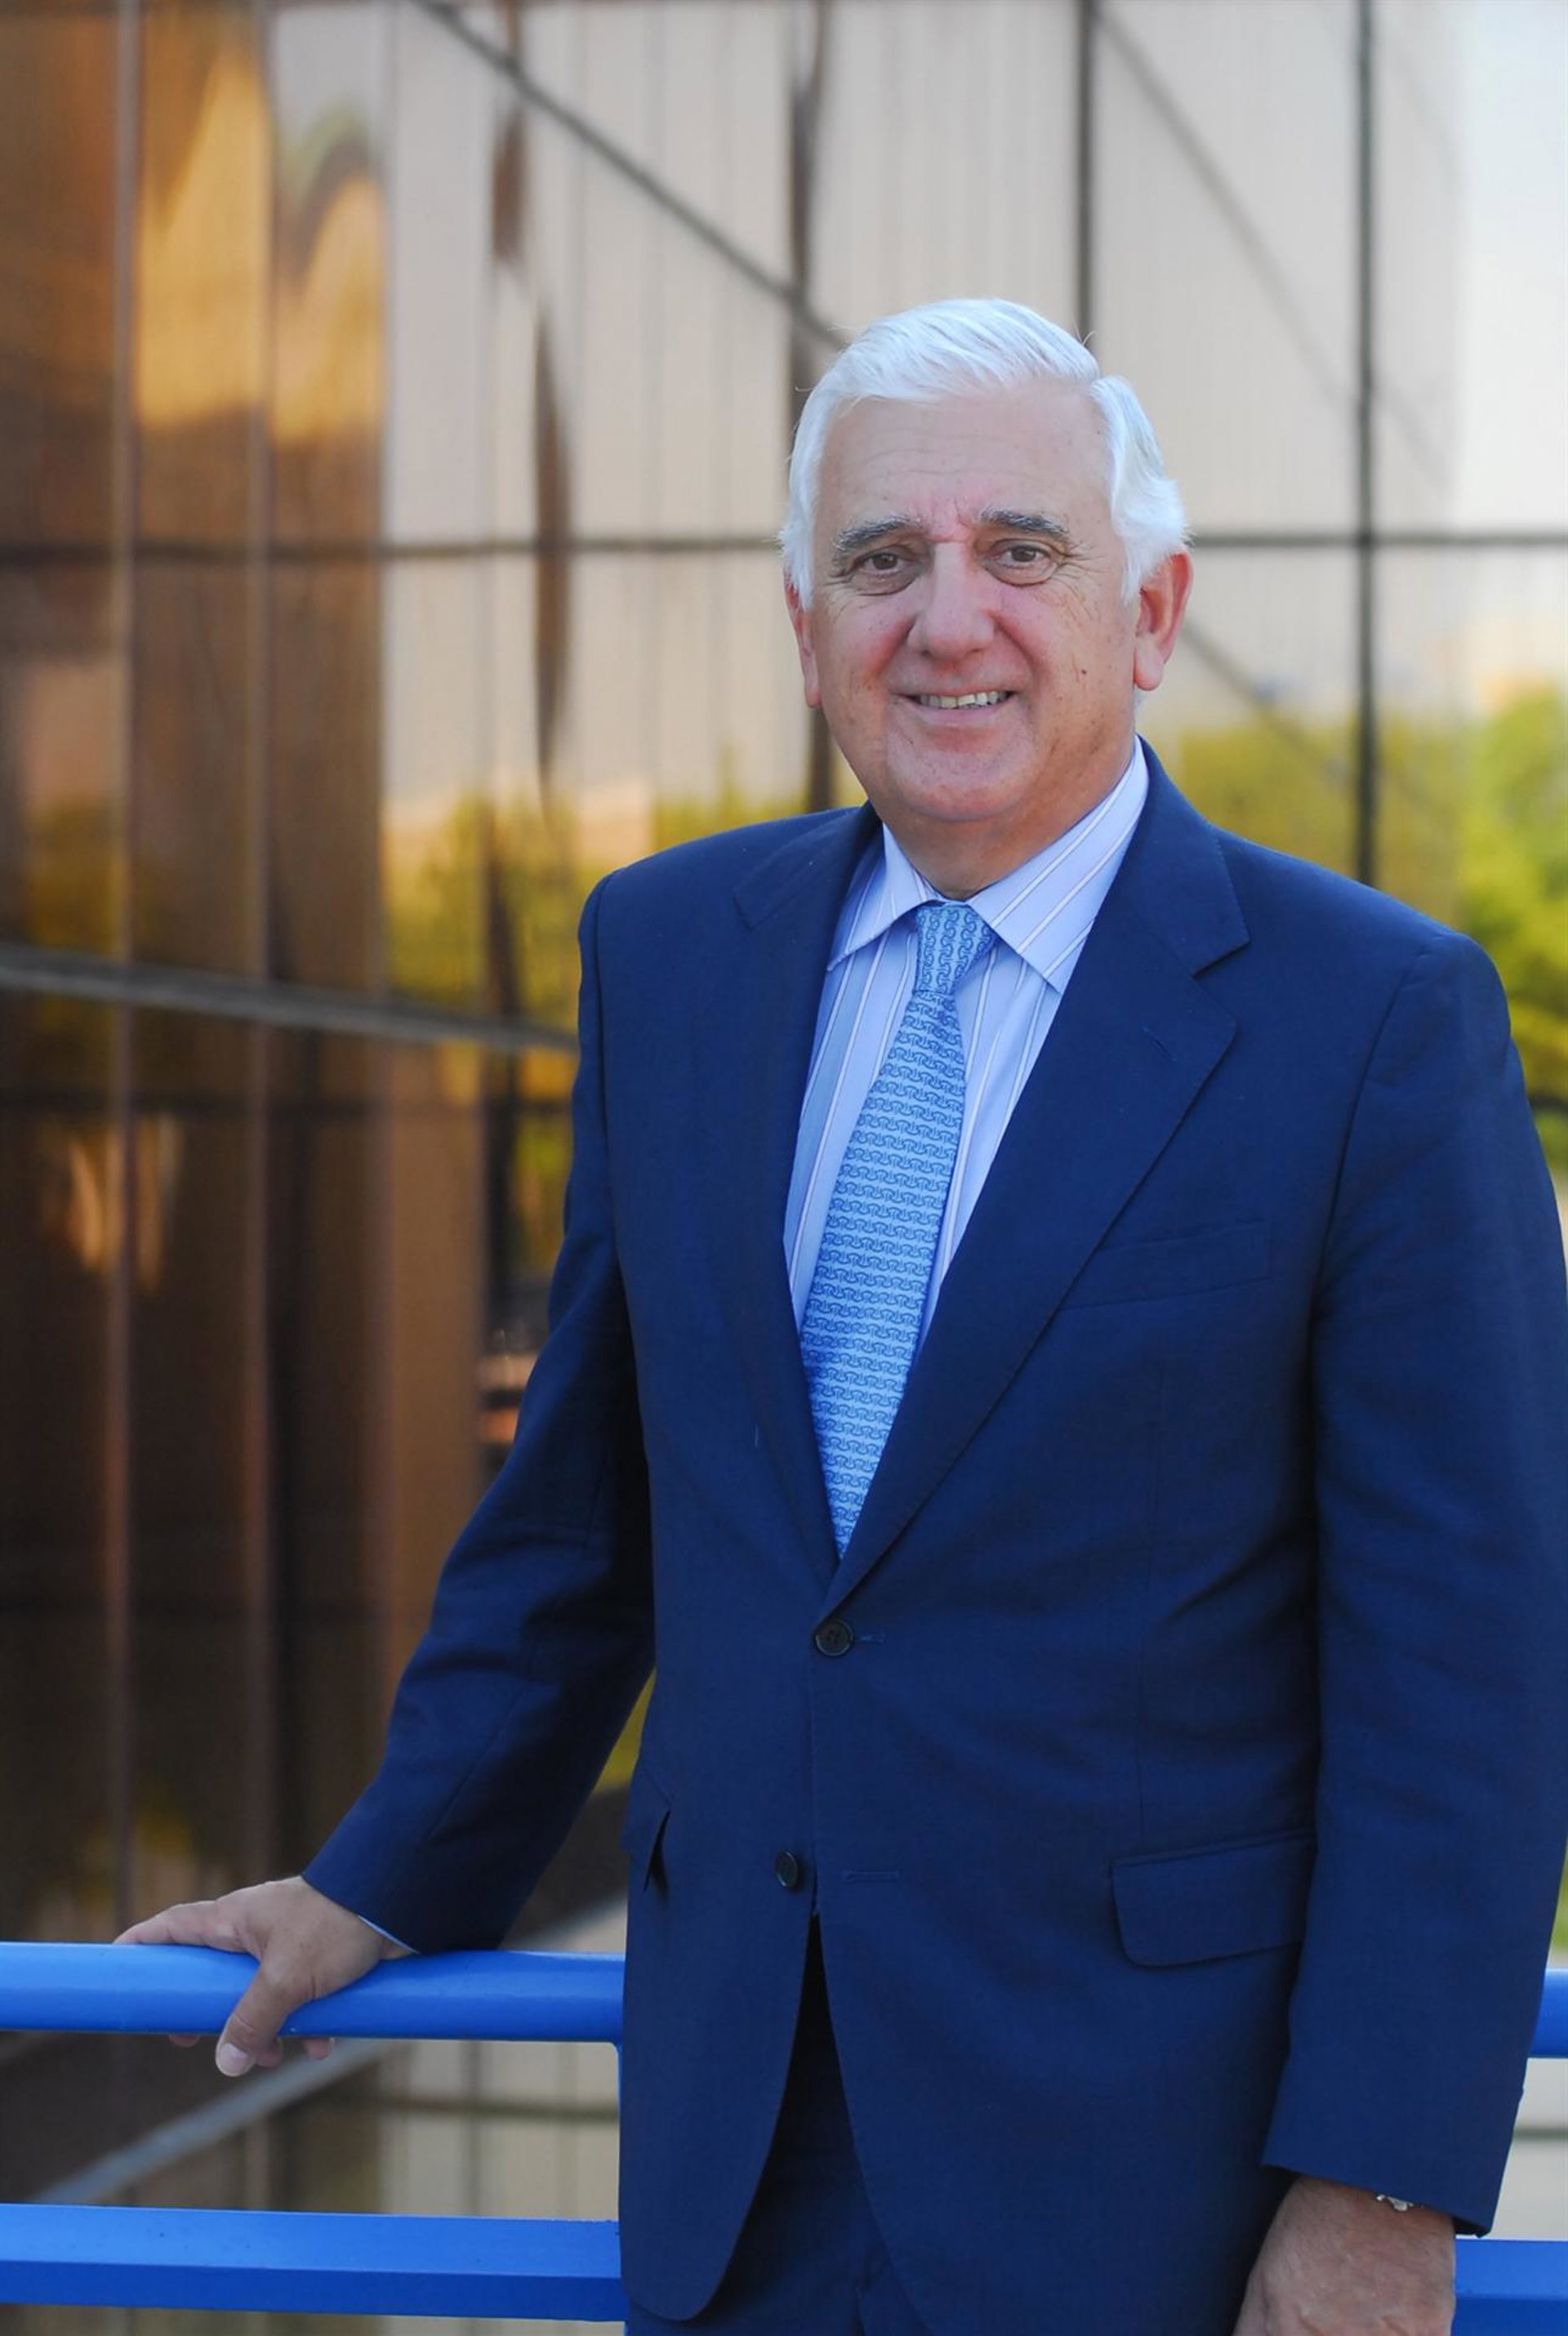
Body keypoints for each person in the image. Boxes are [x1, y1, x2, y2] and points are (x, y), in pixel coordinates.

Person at [122, 301, 1568, 2336]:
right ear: (809, 633)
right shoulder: (669, 953)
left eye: (1022, 551)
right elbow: (584, 1522)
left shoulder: (1376, 1020)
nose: (948, 617)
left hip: (1158, 2183)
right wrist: (381, 1875)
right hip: (736, 2155)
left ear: (1151, 613)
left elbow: (1465, 1673)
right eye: (884, 560)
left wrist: (1383, 2190)